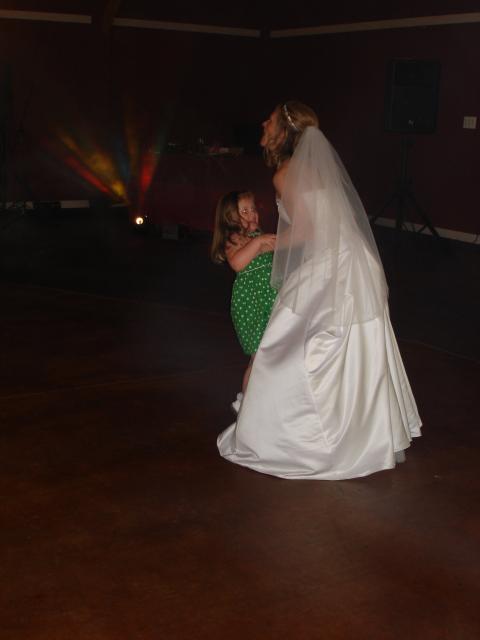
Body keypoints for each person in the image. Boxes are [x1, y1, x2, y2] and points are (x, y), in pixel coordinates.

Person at [217, 101, 422, 480]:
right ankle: (363, 435)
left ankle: (302, 440)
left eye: (270, 120)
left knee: (285, 346)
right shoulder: (310, 168)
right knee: (352, 346)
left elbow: (308, 231)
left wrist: (263, 244)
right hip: (354, 260)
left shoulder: (286, 172)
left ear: (283, 132)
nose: (263, 122)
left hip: (335, 264)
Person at [211, 190, 277, 401]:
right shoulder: (234, 239)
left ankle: (257, 400)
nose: (252, 214)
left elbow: (281, 247)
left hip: (268, 302)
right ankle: (247, 402)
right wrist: (259, 242)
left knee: (265, 356)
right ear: (230, 218)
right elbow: (238, 263)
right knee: (259, 358)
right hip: (251, 306)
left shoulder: (258, 237)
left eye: (253, 209)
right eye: (245, 211)